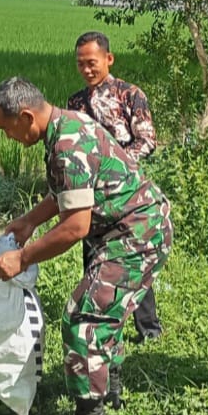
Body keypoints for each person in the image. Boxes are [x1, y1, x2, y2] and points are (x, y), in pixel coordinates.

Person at [0, 77, 173, 415]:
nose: (8, 137)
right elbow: (67, 192)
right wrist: (30, 220)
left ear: (26, 117)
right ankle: (110, 389)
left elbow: (75, 227)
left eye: (7, 129)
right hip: (126, 231)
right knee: (104, 312)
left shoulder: (66, 144)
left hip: (137, 235)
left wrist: (22, 258)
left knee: (83, 318)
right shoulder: (65, 126)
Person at [66, 31, 163, 343]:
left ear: (108, 59)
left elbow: (147, 140)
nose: (86, 69)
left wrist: (114, 166)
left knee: (133, 261)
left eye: (92, 62)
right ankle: (101, 328)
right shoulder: (75, 103)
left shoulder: (129, 95)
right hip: (92, 197)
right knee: (94, 261)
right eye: (80, 64)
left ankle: (149, 330)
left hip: (126, 195)